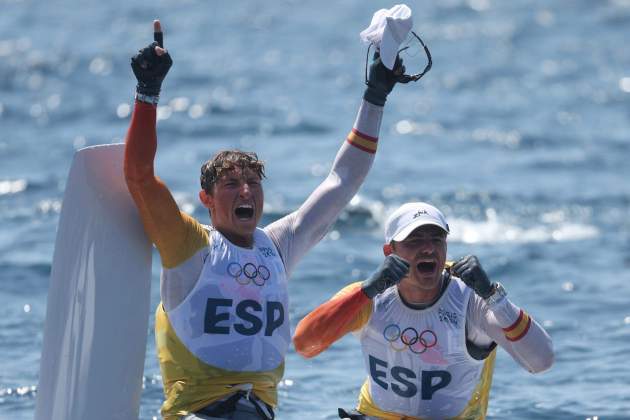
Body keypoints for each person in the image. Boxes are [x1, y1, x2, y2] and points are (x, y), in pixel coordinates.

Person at [124, 20, 409, 420]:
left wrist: (375, 95)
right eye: (232, 184)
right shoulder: (188, 244)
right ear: (206, 199)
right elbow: (139, 176)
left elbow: (343, 181)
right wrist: (147, 93)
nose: (246, 192)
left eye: (253, 183)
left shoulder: (277, 245)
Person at [293, 202, 554, 419]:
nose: (428, 248)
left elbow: (541, 362)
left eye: (436, 238)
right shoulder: (369, 297)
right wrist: (366, 292)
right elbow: (305, 344)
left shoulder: (472, 300)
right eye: (415, 240)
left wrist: (494, 297)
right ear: (389, 252)